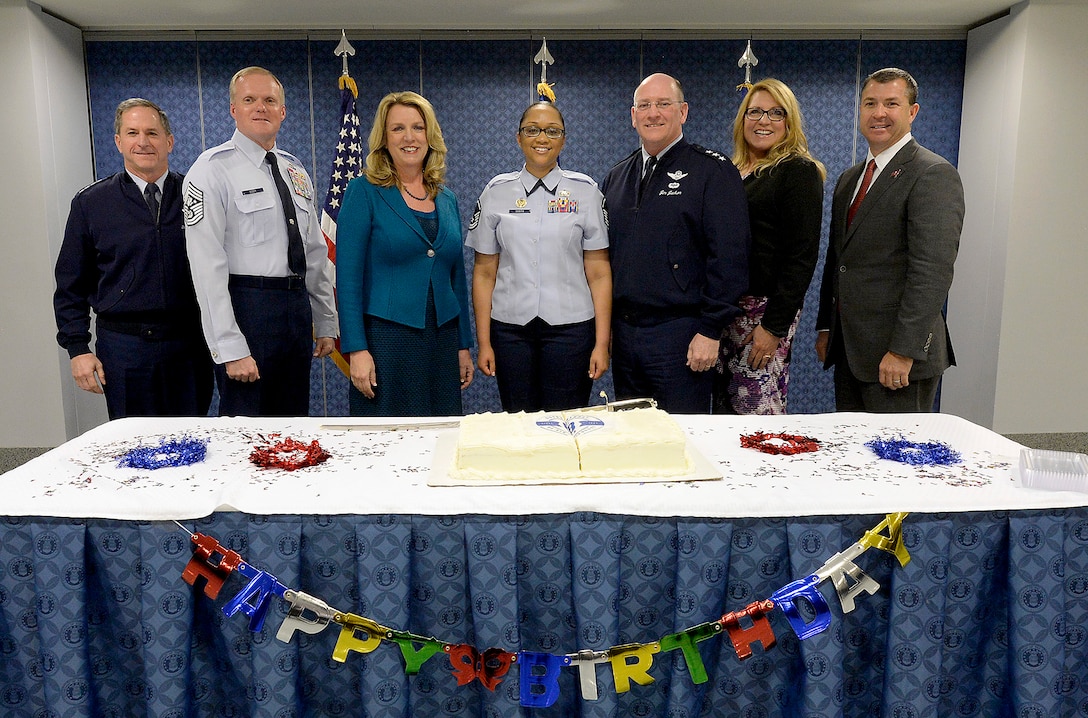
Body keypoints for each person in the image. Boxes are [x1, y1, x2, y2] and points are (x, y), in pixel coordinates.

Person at [183, 66, 337, 417]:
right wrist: (229, 346)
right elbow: (206, 266)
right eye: (249, 100)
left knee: (293, 427)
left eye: (269, 100)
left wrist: (326, 320)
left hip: (295, 313)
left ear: (282, 111)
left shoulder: (293, 169)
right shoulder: (211, 169)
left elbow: (314, 252)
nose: (261, 108)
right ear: (233, 110)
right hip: (247, 310)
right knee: (246, 431)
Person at [815, 67, 964, 413]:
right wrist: (827, 327)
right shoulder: (850, 179)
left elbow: (932, 272)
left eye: (891, 103)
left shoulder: (931, 173)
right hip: (850, 352)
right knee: (853, 459)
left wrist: (903, 350)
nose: (879, 113)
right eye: (870, 103)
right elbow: (838, 260)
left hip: (898, 361)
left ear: (912, 112)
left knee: (896, 465)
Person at [54, 98, 213, 419]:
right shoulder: (91, 202)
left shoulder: (200, 194)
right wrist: (77, 349)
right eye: (132, 132)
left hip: (190, 344)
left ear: (169, 141)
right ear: (118, 142)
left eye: (152, 133)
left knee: (193, 443)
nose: (143, 142)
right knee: (133, 448)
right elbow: (71, 283)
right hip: (125, 348)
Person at [601, 73, 750, 414]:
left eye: (663, 104)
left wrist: (710, 330)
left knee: (683, 442)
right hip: (625, 336)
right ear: (633, 115)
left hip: (682, 335)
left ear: (682, 112)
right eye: (645, 105)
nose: (653, 113)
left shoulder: (711, 171)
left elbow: (730, 258)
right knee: (633, 441)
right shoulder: (616, 177)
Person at [335, 91, 474, 416]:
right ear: (384, 138)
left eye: (417, 127)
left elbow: (457, 278)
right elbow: (348, 279)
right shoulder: (363, 191)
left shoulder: (447, 198)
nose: (409, 137)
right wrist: (356, 349)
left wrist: (463, 345)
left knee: (440, 437)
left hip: (442, 340)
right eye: (398, 128)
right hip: (386, 341)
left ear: (431, 136)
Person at [466, 102, 611, 412]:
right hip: (510, 331)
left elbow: (599, 272)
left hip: (572, 331)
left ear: (563, 139)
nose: (541, 137)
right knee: (520, 426)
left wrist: (601, 343)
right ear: (519, 138)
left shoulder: (586, 192)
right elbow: (483, 273)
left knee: (566, 423)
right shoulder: (495, 192)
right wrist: (485, 342)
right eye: (532, 130)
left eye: (552, 131)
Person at [713, 79, 825, 415]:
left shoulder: (798, 171)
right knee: (725, 417)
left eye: (776, 113)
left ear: (789, 122)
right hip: (726, 313)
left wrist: (773, 327)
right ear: (742, 119)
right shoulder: (731, 172)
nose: (764, 121)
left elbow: (801, 257)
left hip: (762, 317)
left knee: (756, 417)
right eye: (756, 112)